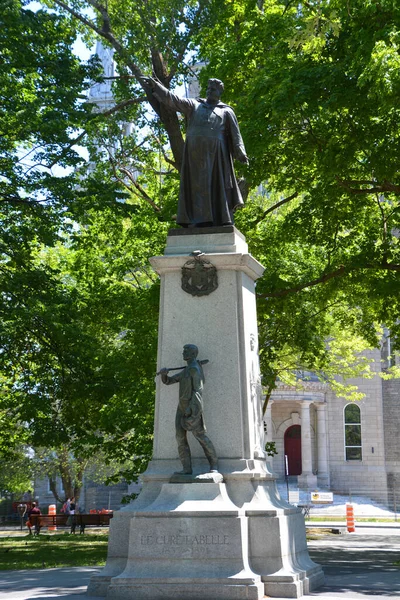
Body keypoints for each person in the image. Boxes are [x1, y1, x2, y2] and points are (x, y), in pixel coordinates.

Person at [142, 76, 249, 228]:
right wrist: (156, 86)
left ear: (219, 93)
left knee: (216, 186)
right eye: (208, 89)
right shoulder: (194, 105)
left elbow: (235, 134)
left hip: (216, 155)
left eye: (213, 89)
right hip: (194, 155)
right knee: (195, 187)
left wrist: (240, 152)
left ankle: (219, 219)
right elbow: (174, 100)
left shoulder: (226, 111)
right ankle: (194, 220)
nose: (209, 91)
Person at [160, 344, 218, 474]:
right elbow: (169, 381)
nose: (183, 353)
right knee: (180, 438)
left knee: (201, 436)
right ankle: (186, 468)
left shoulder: (194, 369)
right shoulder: (187, 370)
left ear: (193, 354)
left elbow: (198, 391)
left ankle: (214, 465)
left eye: (186, 351)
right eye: (183, 351)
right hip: (181, 408)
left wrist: (191, 409)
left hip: (192, 408)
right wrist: (164, 375)